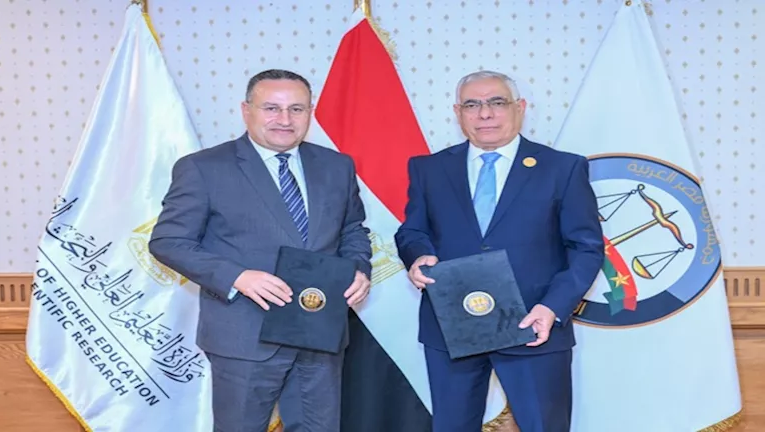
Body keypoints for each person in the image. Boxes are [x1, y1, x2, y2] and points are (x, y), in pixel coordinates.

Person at [149, 69, 372, 432]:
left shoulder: (337, 165)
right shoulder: (203, 168)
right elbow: (168, 241)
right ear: (246, 110)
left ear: (310, 112)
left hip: (319, 331)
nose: (285, 119)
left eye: (296, 109)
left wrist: (359, 268)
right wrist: (237, 277)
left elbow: (352, 229)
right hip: (244, 334)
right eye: (271, 108)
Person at [394, 70, 604, 432]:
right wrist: (418, 256)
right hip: (451, 326)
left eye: (497, 102)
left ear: (520, 107)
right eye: (472, 105)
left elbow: (586, 248)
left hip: (533, 325)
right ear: (457, 113)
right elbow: (412, 230)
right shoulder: (429, 168)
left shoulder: (563, 168)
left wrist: (552, 307)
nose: (485, 114)